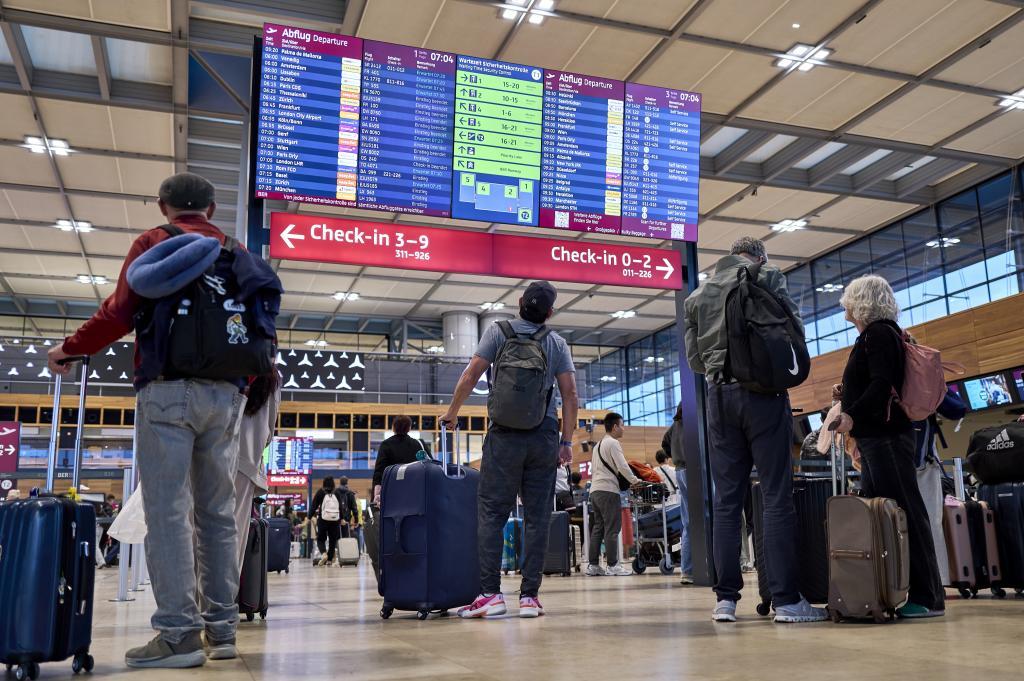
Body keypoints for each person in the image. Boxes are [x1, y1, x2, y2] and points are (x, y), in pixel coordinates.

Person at [47, 172, 281, 667]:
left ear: (163, 206)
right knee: (217, 514)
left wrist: (70, 348)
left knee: (168, 512)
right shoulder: (234, 251)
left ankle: (178, 635)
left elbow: (119, 311)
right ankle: (221, 631)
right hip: (226, 397)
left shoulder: (155, 242)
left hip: (167, 391)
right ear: (212, 210)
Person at [683, 236, 825, 623]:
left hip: (717, 398)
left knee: (727, 503)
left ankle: (725, 600)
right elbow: (793, 331)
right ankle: (786, 601)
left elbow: (695, 359)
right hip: (762, 396)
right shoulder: (769, 274)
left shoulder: (697, 296)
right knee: (776, 496)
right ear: (759, 256)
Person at [441, 280, 578, 619]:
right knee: (537, 517)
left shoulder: (498, 332)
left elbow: (471, 374)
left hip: (503, 436)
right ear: (549, 313)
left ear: (519, 302)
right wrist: (566, 441)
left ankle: (490, 594)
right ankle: (529, 597)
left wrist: (452, 413)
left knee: (491, 513)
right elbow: (571, 395)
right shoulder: (556, 342)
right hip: (543, 436)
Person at [832, 275, 945, 618]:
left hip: (886, 438)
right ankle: (886, 588)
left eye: (848, 301)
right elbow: (877, 383)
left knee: (906, 511)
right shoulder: (879, 334)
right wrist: (846, 394)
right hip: (878, 439)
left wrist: (850, 414)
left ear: (862, 302)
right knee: (881, 516)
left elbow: (883, 385)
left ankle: (927, 597)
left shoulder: (879, 333)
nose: (845, 308)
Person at [233, 371, 280, 569]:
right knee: (234, 540)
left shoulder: (217, 355)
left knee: (196, 534)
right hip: (245, 464)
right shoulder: (271, 376)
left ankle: (191, 598)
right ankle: (223, 598)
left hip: (207, 454)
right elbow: (269, 431)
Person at [587, 413, 641, 576]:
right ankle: (612, 565)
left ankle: (593, 565)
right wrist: (634, 480)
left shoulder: (597, 445)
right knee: (612, 528)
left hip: (595, 490)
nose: (624, 428)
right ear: (615, 426)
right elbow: (622, 466)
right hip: (608, 490)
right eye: (622, 425)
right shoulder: (613, 443)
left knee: (598, 528)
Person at [660, 405, 694, 584]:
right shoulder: (694, 423)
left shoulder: (674, 426)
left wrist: (673, 455)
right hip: (696, 469)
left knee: (688, 523)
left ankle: (687, 571)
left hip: (680, 470)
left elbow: (664, 444)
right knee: (707, 518)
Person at [371, 415, 429, 504]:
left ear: (393, 427)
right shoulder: (419, 444)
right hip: (416, 492)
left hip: (393, 492)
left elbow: (379, 471)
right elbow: (429, 466)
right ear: (409, 428)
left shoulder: (386, 445)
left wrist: (377, 494)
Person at [309, 477, 347, 566]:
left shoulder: (320, 492)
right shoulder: (336, 492)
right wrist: (342, 518)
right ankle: (329, 560)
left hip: (323, 519)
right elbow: (340, 508)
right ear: (333, 483)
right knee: (332, 540)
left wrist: (309, 516)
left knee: (321, 539)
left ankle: (323, 554)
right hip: (335, 520)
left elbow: (314, 505)